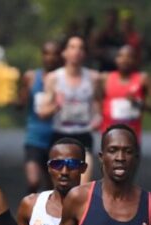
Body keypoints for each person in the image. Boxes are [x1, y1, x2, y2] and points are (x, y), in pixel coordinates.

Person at [39, 35, 101, 184]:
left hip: (83, 135)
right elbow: (42, 112)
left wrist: (98, 119)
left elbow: (98, 103)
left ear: (84, 54)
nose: (76, 51)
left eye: (80, 48)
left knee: (83, 183)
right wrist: (56, 105)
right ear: (64, 52)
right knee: (60, 184)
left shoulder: (93, 78)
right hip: (60, 136)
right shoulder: (53, 78)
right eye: (72, 47)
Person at [19, 40, 60, 195]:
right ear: (42, 56)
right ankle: (28, 213)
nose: (51, 58)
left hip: (56, 137)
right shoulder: (31, 77)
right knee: (33, 181)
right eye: (47, 54)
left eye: (55, 54)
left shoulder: (63, 78)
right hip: (34, 137)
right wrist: (23, 94)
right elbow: (20, 104)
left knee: (52, 187)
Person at [99, 45, 151, 142]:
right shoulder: (105, 78)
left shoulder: (143, 79)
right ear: (116, 59)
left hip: (131, 138)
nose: (124, 60)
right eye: (120, 56)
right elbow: (96, 102)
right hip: (109, 136)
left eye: (129, 57)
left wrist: (140, 104)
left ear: (135, 61)